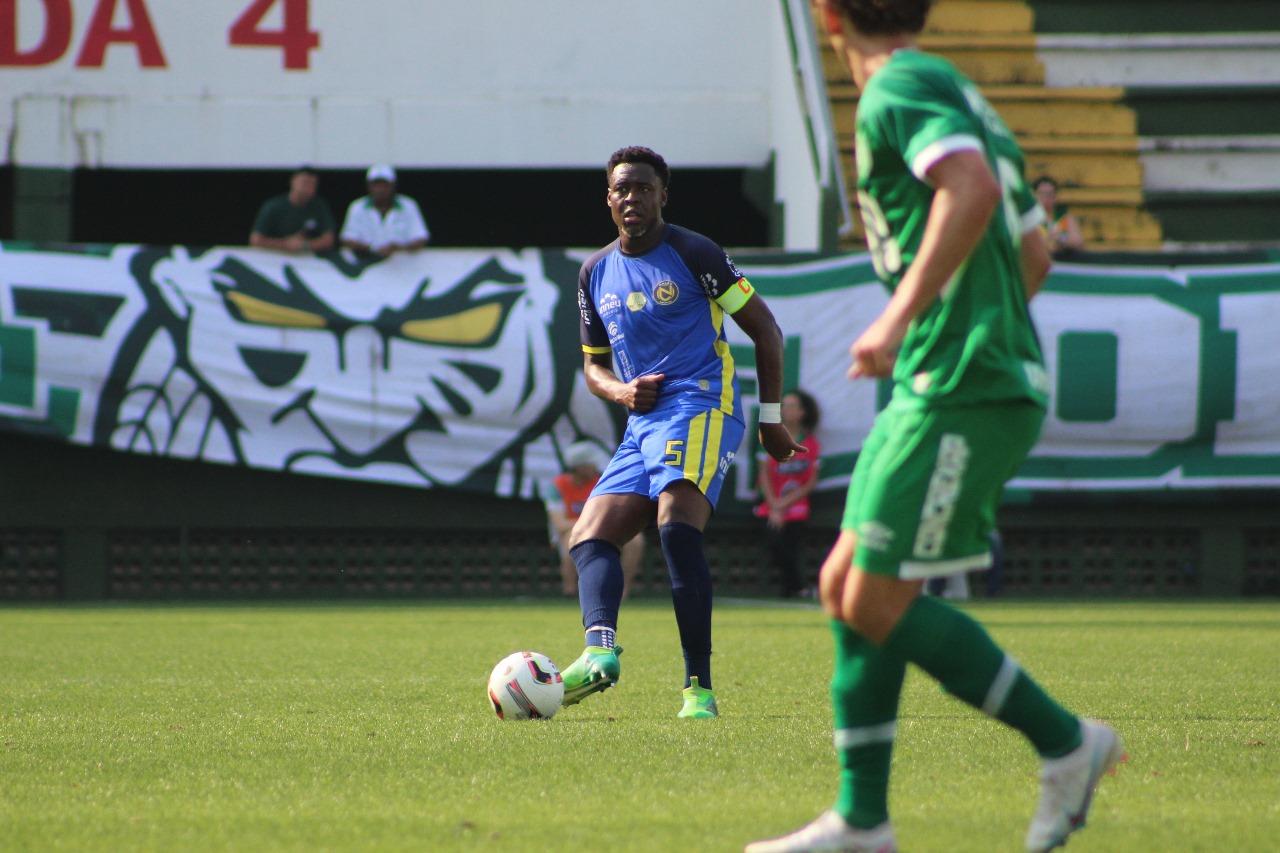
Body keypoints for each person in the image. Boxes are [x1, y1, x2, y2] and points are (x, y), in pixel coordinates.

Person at [747, 3, 1122, 852]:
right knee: (847, 586)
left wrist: (903, 321)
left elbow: (973, 190)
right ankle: (862, 820)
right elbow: (1035, 253)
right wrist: (965, 328)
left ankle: (1067, 743)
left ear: (828, 15)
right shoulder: (953, 85)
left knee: (876, 595)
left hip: (961, 383)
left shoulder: (895, 90)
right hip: (947, 376)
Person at [563, 145, 804, 719]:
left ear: (662, 195)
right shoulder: (594, 272)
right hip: (640, 420)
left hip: (702, 403)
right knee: (589, 537)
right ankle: (600, 654)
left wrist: (772, 420)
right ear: (609, 199)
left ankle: (698, 688)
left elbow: (766, 330)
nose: (631, 198)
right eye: (621, 189)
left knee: (675, 526)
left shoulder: (696, 252)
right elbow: (593, 366)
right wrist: (621, 392)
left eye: (643, 188)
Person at [542, 440, 644, 599]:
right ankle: (569, 591)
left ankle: (623, 591)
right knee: (572, 538)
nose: (594, 467)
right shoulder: (558, 486)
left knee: (635, 540)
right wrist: (590, 523)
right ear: (578, 467)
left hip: (602, 525)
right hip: (572, 528)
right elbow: (560, 524)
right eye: (590, 464)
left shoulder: (602, 481)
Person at [754, 389, 822, 598]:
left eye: (792, 406)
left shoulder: (811, 444)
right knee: (774, 540)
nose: (787, 410)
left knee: (792, 542)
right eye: (784, 405)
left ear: (802, 412)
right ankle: (797, 587)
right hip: (770, 504)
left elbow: (811, 481)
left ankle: (794, 588)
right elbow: (763, 474)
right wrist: (775, 505)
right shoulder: (770, 437)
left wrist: (785, 505)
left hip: (797, 505)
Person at [339, 164, 431, 256]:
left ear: (393, 185)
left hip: (402, 266)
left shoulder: (408, 205)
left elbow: (420, 238)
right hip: (367, 265)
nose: (380, 189)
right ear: (368, 186)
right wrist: (371, 249)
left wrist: (399, 248)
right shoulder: (357, 207)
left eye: (385, 185)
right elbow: (347, 238)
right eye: (376, 185)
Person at [249, 167, 336, 254]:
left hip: (308, 259)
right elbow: (256, 240)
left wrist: (305, 245)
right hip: (275, 258)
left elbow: (328, 239)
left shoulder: (319, 207)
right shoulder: (274, 206)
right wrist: (285, 244)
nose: (308, 188)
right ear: (293, 181)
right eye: (304, 183)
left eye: (312, 184)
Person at [1033, 175, 1085, 257]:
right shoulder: (1031, 220)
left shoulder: (1064, 217)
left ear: (1055, 197)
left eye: (1050, 194)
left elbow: (1078, 242)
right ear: (1035, 196)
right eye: (1042, 194)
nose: (1046, 198)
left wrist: (1060, 239)